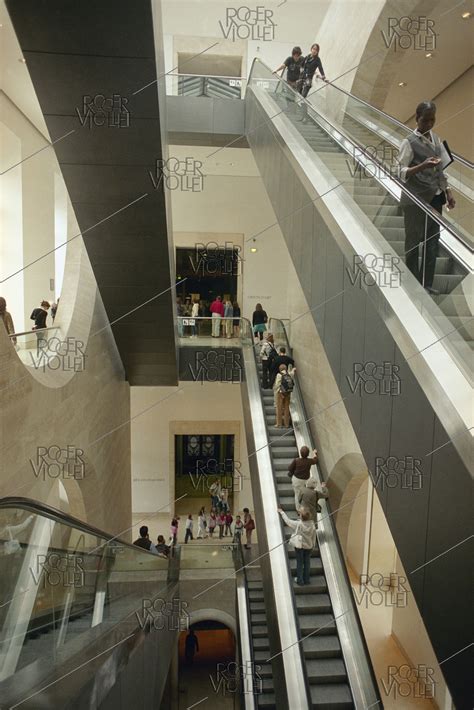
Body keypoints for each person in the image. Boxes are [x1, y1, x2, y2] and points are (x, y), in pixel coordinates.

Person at [398, 100, 455, 294]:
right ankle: (412, 284)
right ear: (417, 118)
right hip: (416, 199)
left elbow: (441, 169)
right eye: (425, 120)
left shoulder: (436, 140)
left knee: (432, 241)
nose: (429, 124)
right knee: (413, 240)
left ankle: (427, 284)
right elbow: (399, 171)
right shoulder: (408, 142)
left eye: (432, 120)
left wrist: (448, 191)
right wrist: (422, 166)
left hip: (436, 197)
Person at [278, 507, 316, 586]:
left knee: (300, 563)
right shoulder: (312, 525)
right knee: (307, 563)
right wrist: (313, 546)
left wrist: (282, 512)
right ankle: (307, 579)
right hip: (309, 547)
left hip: (300, 547)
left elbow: (288, 521)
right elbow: (314, 537)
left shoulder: (299, 524)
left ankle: (300, 580)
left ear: (301, 516)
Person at [297, 43, 327, 123]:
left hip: (308, 80)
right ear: (311, 49)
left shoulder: (317, 59)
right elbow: (302, 65)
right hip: (302, 78)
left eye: (316, 50)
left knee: (303, 98)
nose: (314, 51)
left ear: (317, 52)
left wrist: (323, 76)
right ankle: (303, 116)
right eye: (313, 49)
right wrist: (301, 70)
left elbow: (320, 68)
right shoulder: (307, 57)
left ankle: (305, 117)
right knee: (301, 98)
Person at [288, 447, 319, 511]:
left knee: (297, 494)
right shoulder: (309, 461)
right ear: (308, 454)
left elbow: (290, 468)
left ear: (300, 453)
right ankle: (307, 507)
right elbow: (315, 460)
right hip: (305, 481)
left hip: (296, 480)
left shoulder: (296, 460)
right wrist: (315, 453)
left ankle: (299, 510)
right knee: (305, 493)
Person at [274, 363, 296, 428]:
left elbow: (277, 385)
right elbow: (293, 372)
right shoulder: (289, 374)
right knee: (286, 409)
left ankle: (279, 424)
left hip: (280, 394)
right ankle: (286, 424)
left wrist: (277, 391)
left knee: (279, 408)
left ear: (280, 369)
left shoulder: (279, 375)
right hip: (288, 394)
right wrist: (294, 369)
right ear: (286, 369)